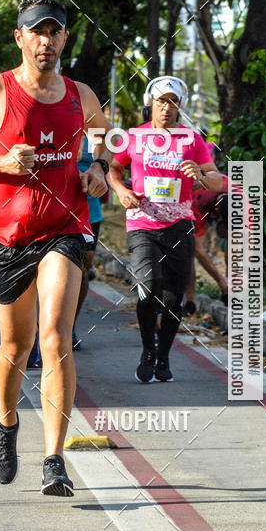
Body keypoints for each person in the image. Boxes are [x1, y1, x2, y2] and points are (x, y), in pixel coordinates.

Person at [0, 0, 111, 497]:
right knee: (16, 346)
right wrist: (1, 163)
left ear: (64, 39)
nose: (46, 40)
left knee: (55, 337)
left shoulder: (83, 94)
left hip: (63, 228)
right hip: (5, 236)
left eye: (55, 31)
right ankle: (8, 422)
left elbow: (103, 139)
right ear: (20, 38)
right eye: (37, 31)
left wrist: (96, 168)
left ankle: (54, 459)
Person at [108, 75, 223, 383]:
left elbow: (215, 179)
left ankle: (163, 356)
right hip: (143, 223)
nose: (167, 108)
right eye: (161, 101)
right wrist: (120, 191)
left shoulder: (192, 139)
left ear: (180, 106)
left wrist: (200, 172)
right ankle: (148, 349)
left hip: (180, 225)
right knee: (149, 288)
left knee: (174, 298)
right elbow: (114, 170)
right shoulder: (133, 137)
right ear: (151, 103)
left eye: (173, 102)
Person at [72, 132, 105, 350]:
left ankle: (70, 324)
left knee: (83, 270)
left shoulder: (95, 134)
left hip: (89, 212)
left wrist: (100, 170)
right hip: (56, 209)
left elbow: (108, 156)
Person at [184, 174, 229, 313]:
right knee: (189, 250)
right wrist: (221, 281)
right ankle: (190, 300)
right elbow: (199, 250)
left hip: (222, 198)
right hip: (191, 202)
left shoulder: (244, 202)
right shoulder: (198, 203)